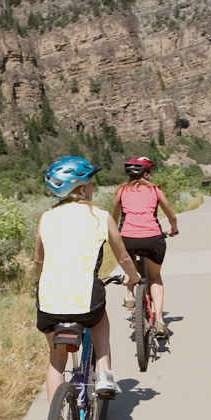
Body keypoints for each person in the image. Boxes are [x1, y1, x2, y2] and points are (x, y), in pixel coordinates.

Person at [36, 156, 139, 404]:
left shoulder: (45, 218)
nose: (92, 187)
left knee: (56, 361)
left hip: (48, 302)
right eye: (91, 183)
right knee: (100, 319)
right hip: (85, 300)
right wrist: (133, 276)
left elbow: (39, 261)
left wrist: (41, 283)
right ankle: (103, 373)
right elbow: (123, 256)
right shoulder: (100, 216)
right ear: (82, 188)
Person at [111, 156, 179, 337]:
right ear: (147, 174)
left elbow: (114, 217)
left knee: (128, 263)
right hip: (153, 239)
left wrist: (115, 234)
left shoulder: (121, 191)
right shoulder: (155, 191)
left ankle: (130, 296)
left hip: (128, 239)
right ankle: (159, 321)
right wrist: (173, 229)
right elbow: (171, 215)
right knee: (155, 276)